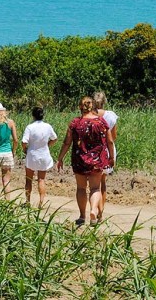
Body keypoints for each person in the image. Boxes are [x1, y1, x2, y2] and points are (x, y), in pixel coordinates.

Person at [56, 95, 115, 226]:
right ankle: (94, 211)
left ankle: (82, 216)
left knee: (81, 188)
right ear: (92, 106)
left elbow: (67, 142)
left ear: (80, 107)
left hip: (79, 159)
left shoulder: (75, 123)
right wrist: (111, 157)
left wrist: (60, 158)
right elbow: (110, 141)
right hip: (97, 160)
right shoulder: (101, 122)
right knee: (95, 188)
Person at [21, 106, 57, 207]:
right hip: (44, 154)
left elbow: (24, 141)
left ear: (33, 115)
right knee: (41, 179)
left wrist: (25, 149)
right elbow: (55, 138)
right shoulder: (48, 126)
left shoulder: (30, 127)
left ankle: (28, 201)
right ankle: (41, 202)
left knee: (29, 179)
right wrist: (47, 145)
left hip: (32, 155)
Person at [93, 91, 118, 219]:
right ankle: (101, 213)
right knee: (103, 183)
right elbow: (113, 136)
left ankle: (96, 209)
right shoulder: (111, 116)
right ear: (105, 101)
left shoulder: (90, 115)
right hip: (107, 150)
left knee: (94, 183)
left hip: (94, 149)